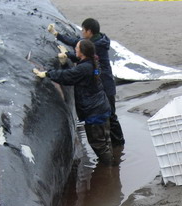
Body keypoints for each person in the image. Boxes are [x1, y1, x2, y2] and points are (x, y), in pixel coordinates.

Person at [34, 39, 113, 164]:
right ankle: (111, 164)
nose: (75, 49)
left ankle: (109, 170)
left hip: (94, 113)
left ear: (82, 52)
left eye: (76, 48)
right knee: (106, 141)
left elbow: (68, 76)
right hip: (102, 107)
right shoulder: (94, 61)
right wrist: (68, 55)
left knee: (99, 145)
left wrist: (48, 74)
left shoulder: (84, 68)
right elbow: (79, 62)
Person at [48, 18, 124, 146]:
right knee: (108, 116)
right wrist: (57, 35)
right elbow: (78, 45)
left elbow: (78, 47)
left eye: (83, 30)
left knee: (111, 116)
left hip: (105, 85)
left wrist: (65, 50)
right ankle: (114, 146)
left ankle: (118, 144)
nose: (82, 32)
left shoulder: (95, 45)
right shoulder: (97, 40)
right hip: (103, 84)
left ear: (90, 31)